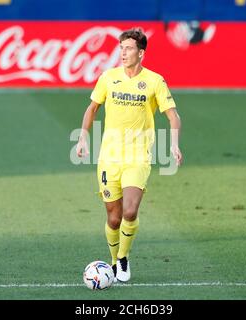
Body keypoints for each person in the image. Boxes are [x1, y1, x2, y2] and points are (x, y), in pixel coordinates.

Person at [76, 28, 182, 282]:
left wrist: (174, 144)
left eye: (129, 48)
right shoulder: (108, 77)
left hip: (138, 157)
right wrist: (82, 135)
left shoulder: (155, 81)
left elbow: (173, 115)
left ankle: (122, 259)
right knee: (113, 218)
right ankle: (113, 261)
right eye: (121, 48)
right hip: (108, 158)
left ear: (141, 53)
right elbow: (92, 108)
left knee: (130, 211)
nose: (123, 53)